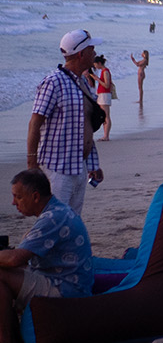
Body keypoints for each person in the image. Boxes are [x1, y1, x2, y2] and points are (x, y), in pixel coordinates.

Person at [0, 170, 93, 338]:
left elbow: (15, 259)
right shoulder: (58, 210)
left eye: (18, 197)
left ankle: (7, 338)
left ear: (35, 197)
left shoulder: (52, 217)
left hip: (66, 289)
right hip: (65, 280)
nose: (14, 203)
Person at [27, 30, 105, 215]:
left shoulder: (83, 83)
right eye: (91, 49)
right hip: (57, 168)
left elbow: (84, 127)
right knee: (54, 218)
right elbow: (35, 122)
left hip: (79, 166)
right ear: (81, 54)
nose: (94, 53)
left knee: (72, 220)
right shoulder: (53, 82)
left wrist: (93, 164)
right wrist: (32, 163)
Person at [85, 56, 113, 143]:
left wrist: (97, 79)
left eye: (95, 64)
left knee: (106, 115)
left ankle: (106, 136)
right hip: (102, 94)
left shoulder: (105, 71)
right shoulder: (103, 71)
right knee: (104, 115)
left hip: (104, 94)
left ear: (99, 63)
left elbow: (107, 85)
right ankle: (105, 135)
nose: (95, 66)